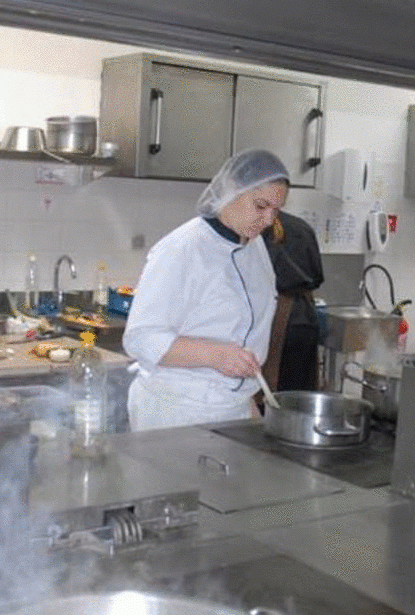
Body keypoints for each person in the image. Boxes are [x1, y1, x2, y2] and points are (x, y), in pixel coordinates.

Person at [123, 149, 289, 431]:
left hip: (231, 408)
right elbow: (141, 338)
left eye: (276, 211)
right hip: (177, 411)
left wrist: (246, 401)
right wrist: (216, 355)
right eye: (261, 206)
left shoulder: (255, 248)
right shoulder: (183, 248)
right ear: (232, 190)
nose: (267, 220)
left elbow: (248, 332)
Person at [261, 210, 324, 392]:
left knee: (274, 392)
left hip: (276, 317)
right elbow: (317, 276)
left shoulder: (259, 228)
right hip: (306, 314)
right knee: (300, 391)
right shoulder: (302, 226)